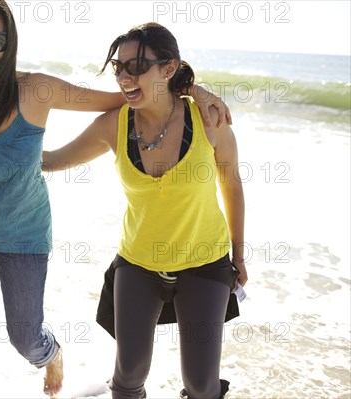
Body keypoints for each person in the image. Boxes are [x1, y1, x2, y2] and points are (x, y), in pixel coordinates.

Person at [0, 1, 230, 397]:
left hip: (25, 232)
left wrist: (191, 88)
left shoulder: (35, 90)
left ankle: (51, 356)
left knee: (25, 338)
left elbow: (127, 96)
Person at [43, 22, 247, 399]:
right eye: (118, 67)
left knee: (202, 386)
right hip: (138, 264)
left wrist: (239, 254)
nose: (123, 76)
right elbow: (52, 160)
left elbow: (231, 185)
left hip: (204, 261)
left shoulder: (209, 121)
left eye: (136, 67)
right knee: (128, 376)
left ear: (168, 69)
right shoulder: (112, 125)